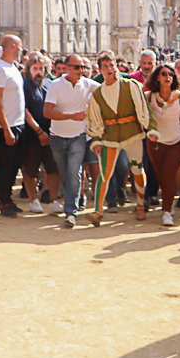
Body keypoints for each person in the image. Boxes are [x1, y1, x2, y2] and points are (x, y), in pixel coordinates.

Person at [86, 51, 159, 226]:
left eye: (111, 65)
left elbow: (145, 108)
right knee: (105, 173)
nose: (109, 68)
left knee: (137, 169)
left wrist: (151, 128)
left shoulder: (131, 86)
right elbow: (95, 120)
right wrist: (96, 140)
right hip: (110, 136)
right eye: (105, 66)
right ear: (100, 70)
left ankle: (140, 205)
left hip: (132, 133)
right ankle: (97, 211)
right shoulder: (97, 95)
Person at [45, 54, 101, 228]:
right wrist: (71, 116)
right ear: (67, 68)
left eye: (83, 67)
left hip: (78, 137)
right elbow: (47, 112)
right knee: (65, 174)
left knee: (74, 173)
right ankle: (72, 204)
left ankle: (70, 212)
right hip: (57, 137)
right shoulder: (55, 85)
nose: (81, 70)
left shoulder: (88, 84)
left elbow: (108, 88)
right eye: (77, 67)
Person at [145, 63, 180, 226]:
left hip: (177, 142)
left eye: (171, 74)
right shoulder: (148, 97)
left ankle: (166, 212)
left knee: (168, 174)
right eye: (164, 74)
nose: (168, 77)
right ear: (157, 77)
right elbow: (143, 118)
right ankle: (169, 203)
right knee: (161, 176)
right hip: (155, 143)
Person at [0, 34, 27, 218]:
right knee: (5, 165)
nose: (21, 50)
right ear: (12, 47)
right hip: (5, 126)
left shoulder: (12, 67)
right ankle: (3, 201)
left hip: (18, 124)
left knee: (15, 164)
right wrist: (6, 129)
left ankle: (8, 198)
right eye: (19, 46)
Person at [21, 53, 62, 214]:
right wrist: (39, 131)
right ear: (29, 70)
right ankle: (33, 200)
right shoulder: (24, 85)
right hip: (32, 136)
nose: (38, 72)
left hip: (52, 135)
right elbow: (24, 110)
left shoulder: (51, 85)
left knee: (53, 169)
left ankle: (53, 200)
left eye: (41, 68)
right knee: (31, 170)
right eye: (35, 68)